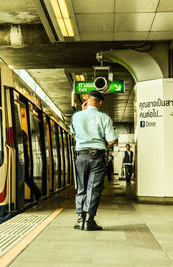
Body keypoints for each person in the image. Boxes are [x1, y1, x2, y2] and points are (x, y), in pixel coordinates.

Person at [70, 90, 118, 231]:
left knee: (81, 187)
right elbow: (112, 140)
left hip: (80, 156)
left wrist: (81, 111)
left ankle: (80, 220)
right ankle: (89, 221)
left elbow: (74, 132)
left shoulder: (76, 116)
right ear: (100, 102)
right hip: (97, 157)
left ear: (87, 99)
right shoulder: (104, 117)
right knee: (93, 189)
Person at [22, 130, 42, 202]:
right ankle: (37, 194)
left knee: (26, 179)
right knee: (27, 179)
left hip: (23, 162)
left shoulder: (22, 146)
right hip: (25, 162)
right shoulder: (25, 145)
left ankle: (37, 194)